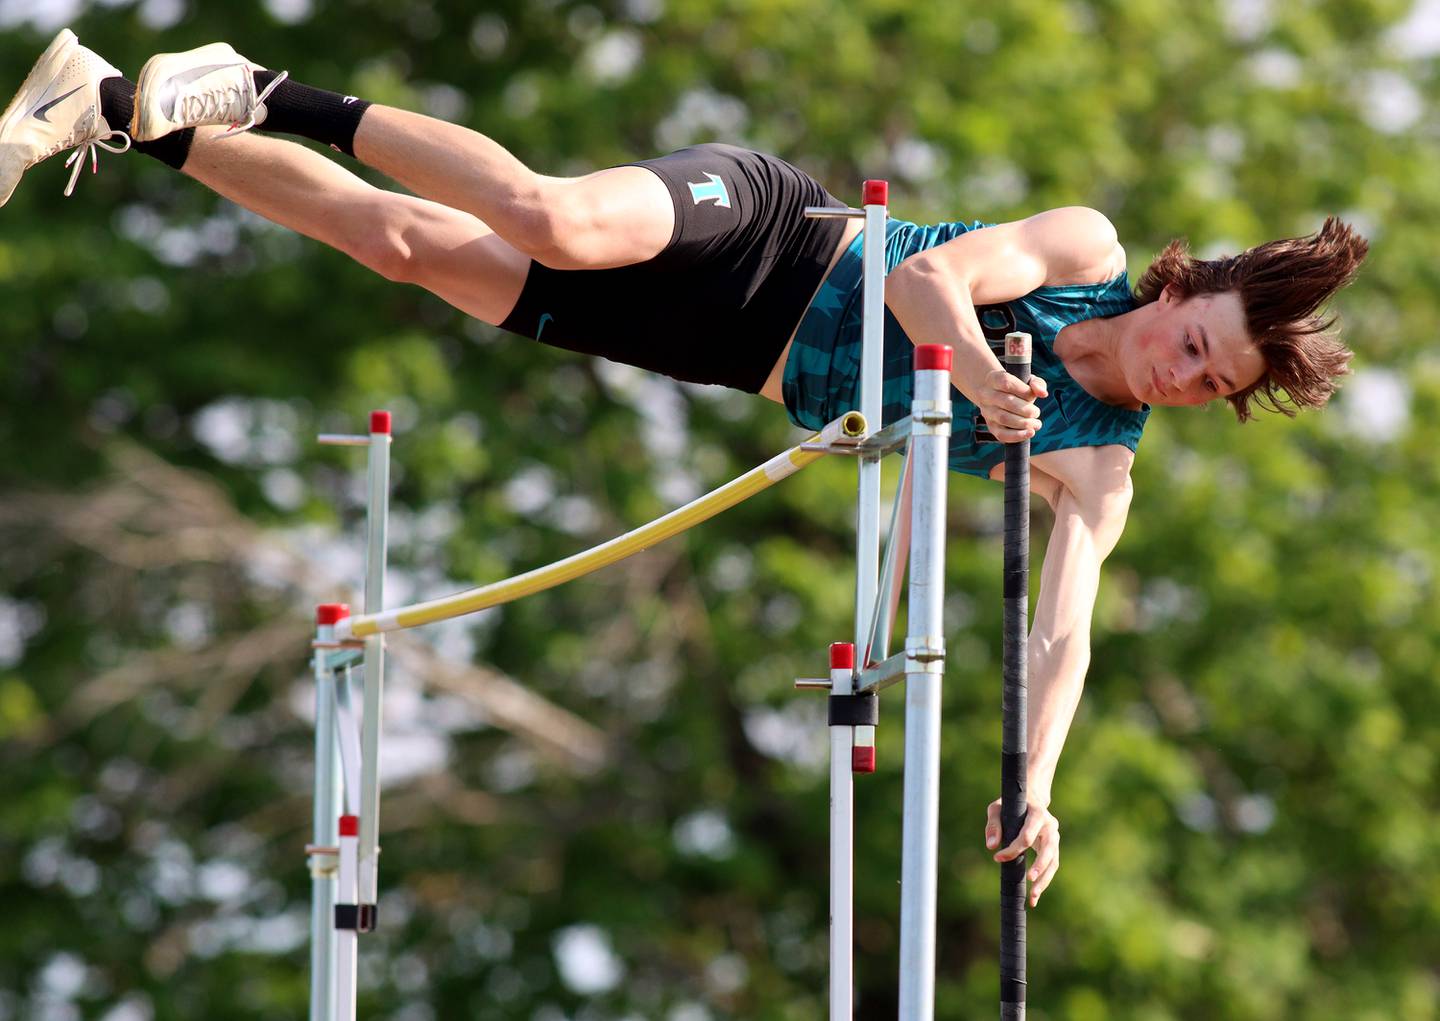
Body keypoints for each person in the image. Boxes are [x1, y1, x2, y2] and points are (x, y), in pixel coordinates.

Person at [1, 30, 1367, 908]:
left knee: (408, 249)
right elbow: (938, 280)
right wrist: (983, 375)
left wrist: (1040, 781)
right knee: (549, 212)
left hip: (724, 350)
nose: (1182, 374)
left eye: (1211, 384)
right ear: (1188, 286)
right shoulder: (1083, 251)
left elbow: (1061, 632)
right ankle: (265, 85)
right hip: (771, 234)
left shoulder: (1102, 472)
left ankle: (117, 108)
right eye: (1197, 342)